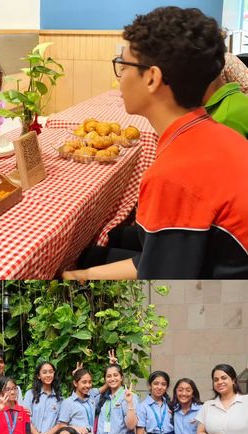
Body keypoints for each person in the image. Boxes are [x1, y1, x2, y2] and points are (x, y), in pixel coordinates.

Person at [62, 6, 248, 280]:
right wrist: (84, 275)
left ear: (152, 78)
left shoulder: (173, 174)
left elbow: (162, 291)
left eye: (123, 66)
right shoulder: (220, 134)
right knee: (86, 264)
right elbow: (163, 262)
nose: (119, 79)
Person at [94, 361, 139, 434]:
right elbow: (86, 397)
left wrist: (129, 403)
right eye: (108, 376)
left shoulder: (130, 396)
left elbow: (131, 426)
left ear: (121, 377)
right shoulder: (100, 398)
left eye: (116, 375)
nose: (112, 378)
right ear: (105, 379)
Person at [23, 361, 63, 434]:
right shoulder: (30, 394)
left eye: (50, 372)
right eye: (44, 372)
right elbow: (26, 417)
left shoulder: (59, 398)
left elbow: (60, 422)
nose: (48, 375)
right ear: (38, 376)